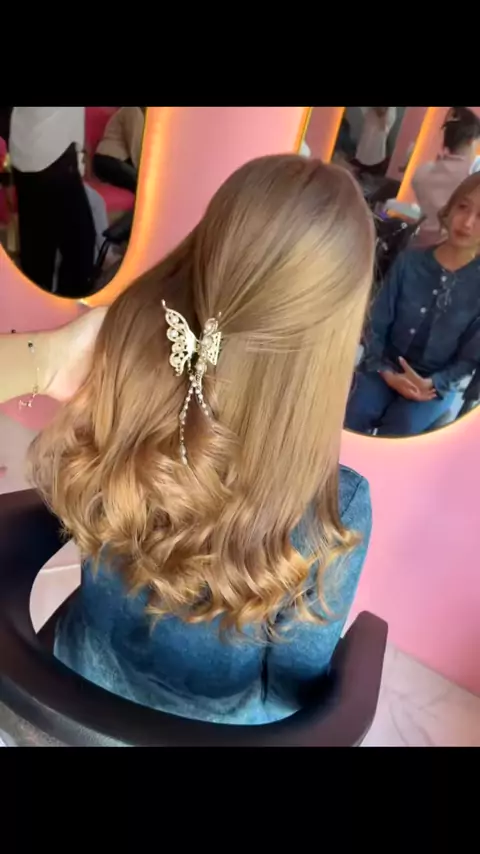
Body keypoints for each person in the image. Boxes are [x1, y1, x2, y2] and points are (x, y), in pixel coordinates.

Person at [11, 156, 374, 726]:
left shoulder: (123, 399)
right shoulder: (338, 505)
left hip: (73, 687)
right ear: (329, 341)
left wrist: (53, 359)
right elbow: (294, 687)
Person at [345, 173, 480, 437]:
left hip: (435, 384)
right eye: (463, 207)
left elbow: (470, 359)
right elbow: (376, 324)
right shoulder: (409, 262)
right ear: (450, 209)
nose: (467, 222)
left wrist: (435, 383)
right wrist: (386, 372)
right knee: (355, 410)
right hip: (384, 366)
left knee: (403, 428)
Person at [9, 107, 96, 297]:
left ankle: (38, 305)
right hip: (52, 157)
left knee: (37, 247)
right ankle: (63, 307)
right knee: (79, 248)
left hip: (25, 154)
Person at [412, 114, 480, 246]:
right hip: (450, 245)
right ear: (471, 141)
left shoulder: (422, 171)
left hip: (421, 239)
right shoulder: (471, 178)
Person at [93, 107, 145, 194]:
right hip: (108, 159)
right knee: (143, 184)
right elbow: (135, 145)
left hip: (113, 160)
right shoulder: (132, 110)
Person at [352, 107, 397, 176]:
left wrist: (381, 111)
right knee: (366, 144)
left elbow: (384, 122)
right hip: (369, 129)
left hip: (379, 133)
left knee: (375, 146)